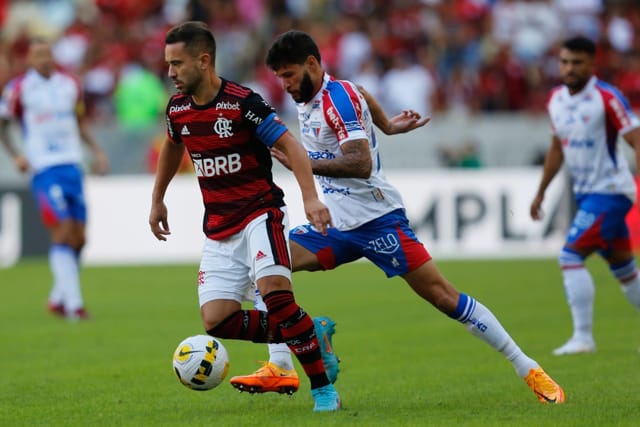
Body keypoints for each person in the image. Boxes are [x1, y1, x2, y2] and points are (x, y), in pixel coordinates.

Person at [230, 30, 565, 404]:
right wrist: (386, 125)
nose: (285, 84)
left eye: (289, 74)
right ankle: (283, 366)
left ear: (312, 63)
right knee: (267, 268)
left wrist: (304, 163)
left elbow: (360, 162)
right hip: (336, 224)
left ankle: (529, 368)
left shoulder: (336, 99)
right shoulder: (321, 95)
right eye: (280, 77)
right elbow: (363, 96)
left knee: (443, 297)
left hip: (378, 221)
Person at [148, 21, 340, 412]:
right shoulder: (178, 109)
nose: (170, 73)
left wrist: (310, 199)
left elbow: (292, 147)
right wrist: (158, 199)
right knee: (217, 321)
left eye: (177, 64)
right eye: (168, 64)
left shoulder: (242, 103)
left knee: (278, 298)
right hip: (219, 227)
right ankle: (309, 331)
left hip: (260, 214)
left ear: (204, 61)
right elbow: (172, 146)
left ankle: (322, 389)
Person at [530, 36, 640, 356]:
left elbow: (635, 139)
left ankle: (583, 338)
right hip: (587, 193)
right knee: (625, 271)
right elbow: (556, 148)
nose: (569, 68)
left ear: (593, 64)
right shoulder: (556, 100)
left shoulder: (607, 98)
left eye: (577, 62)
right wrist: (540, 192)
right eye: (564, 62)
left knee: (570, 256)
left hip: (611, 192)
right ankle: (583, 338)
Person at [0, 38, 109, 320]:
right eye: (38, 55)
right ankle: (75, 306)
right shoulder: (19, 89)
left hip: (73, 166)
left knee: (80, 238)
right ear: (29, 60)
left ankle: (58, 297)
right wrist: (16, 155)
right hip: (44, 170)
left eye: (48, 54)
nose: (45, 59)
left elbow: (80, 122)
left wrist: (97, 151)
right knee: (62, 231)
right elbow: (3, 125)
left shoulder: (70, 85)